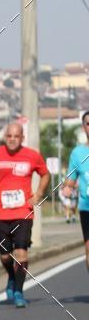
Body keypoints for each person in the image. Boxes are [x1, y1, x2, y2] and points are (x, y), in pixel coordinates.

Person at [0, 123, 49, 308]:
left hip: (23, 213)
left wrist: (38, 194)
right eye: (9, 135)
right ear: (5, 137)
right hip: (0, 214)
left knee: (21, 252)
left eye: (16, 136)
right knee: (5, 256)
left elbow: (45, 174)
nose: (12, 139)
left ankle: (18, 291)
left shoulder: (32, 156)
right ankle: (11, 275)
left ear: (22, 138)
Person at [61, 111, 89, 271]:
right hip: (87, 207)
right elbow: (70, 179)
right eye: (88, 124)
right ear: (83, 127)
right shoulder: (78, 153)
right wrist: (67, 187)